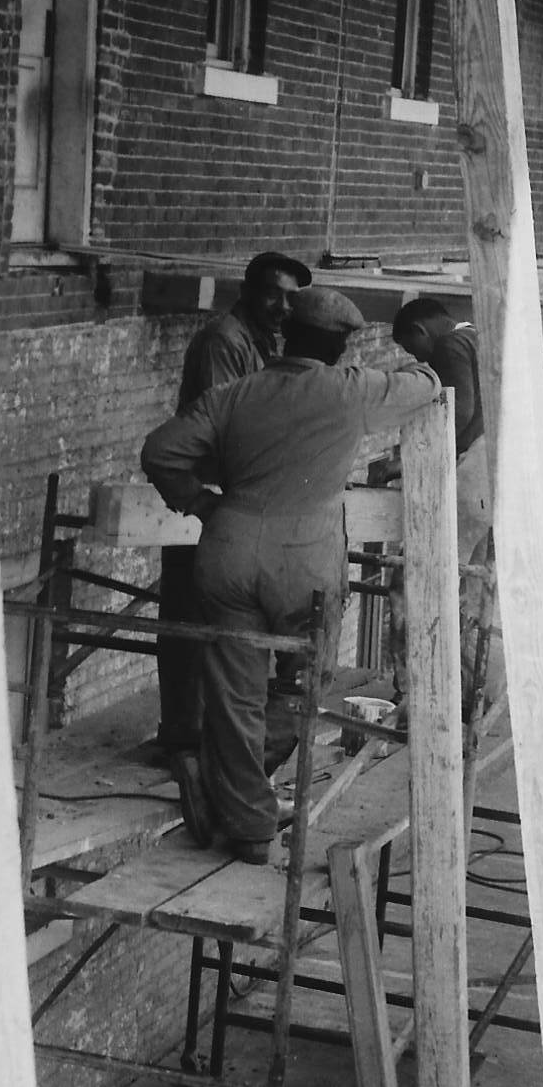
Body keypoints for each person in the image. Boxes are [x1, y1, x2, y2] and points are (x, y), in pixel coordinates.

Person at [140, 287, 443, 861]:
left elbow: (161, 451)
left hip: (227, 553)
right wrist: (433, 361)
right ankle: (230, 784)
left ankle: (249, 823)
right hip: (305, 566)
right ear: (342, 346)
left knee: (234, 693)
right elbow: (423, 388)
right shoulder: (350, 389)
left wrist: (201, 504)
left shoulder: (234, 394)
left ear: (284, 334)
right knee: (306, 684)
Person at [153, 251, 313, 753]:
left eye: (293, 299)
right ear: (247, 291)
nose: (283, 307)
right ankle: (186, 739)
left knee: (225, 630)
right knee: (194, 625)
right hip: (214, 505)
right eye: (274, 294)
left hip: (241, 504)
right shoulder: (224, 341)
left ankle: (208, 741)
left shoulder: (264, 344)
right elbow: (231, 426)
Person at [391, 296, 501, 729]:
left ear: (421, 330)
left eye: (410, 348)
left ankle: (415, 692)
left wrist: (420, 458)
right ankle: (475, 696)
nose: (416, 357)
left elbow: (461, 412)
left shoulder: (450, 346)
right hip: (492, 475)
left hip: (471, 472)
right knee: (472, 592)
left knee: (420, 575)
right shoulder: (480, 340)